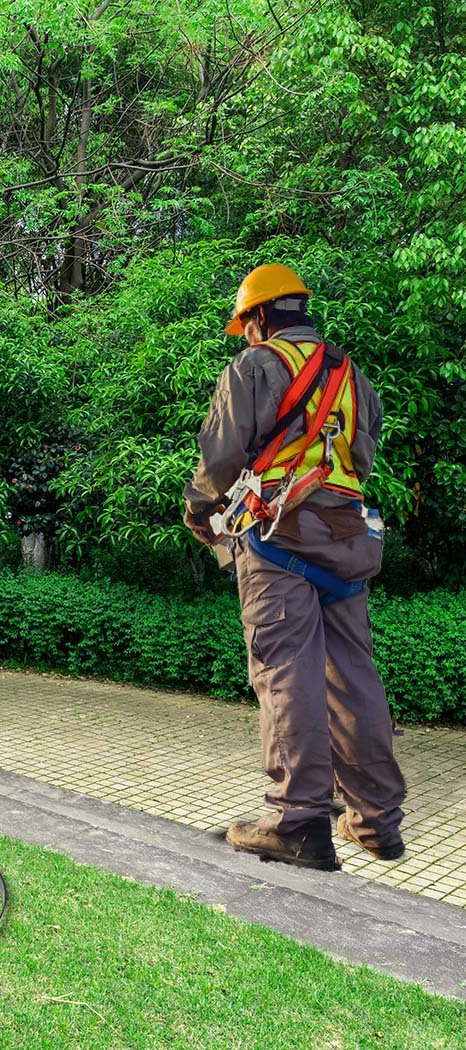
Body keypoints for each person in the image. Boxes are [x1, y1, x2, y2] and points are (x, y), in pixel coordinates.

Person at [182, 263, 406, 871]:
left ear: (258, 317)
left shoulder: (254, 367)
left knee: (286, 673)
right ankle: (378, 820)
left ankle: (298, 820)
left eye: (245, 323)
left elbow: (221, 454)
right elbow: (358, 456)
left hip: (280, 539)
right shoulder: (354, 377)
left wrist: (201, 510)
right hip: (347, 537)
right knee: (351, 674)